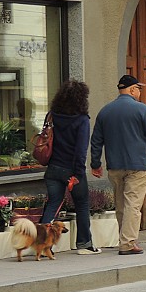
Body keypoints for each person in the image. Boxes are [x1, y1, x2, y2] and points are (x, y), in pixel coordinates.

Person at [90, 75, 146, 255]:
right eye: (139, 88)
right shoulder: (141, 110)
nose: (140, 92)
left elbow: (96, 140)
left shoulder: (105, 111)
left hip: (114, 166)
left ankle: (124, 238)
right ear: (132, 89)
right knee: (133, 205)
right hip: (137, 166)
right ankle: (127, 243)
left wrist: (96, 163)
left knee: (121, 205)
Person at [40, 79, 100, 254]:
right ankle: (84, 244)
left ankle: (43, 244)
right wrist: (78, 175)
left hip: (53, 168)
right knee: (82, 204)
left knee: (52, 205)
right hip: (72, 170)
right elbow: (81, 151)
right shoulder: (81, 120)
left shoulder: (52, 115)